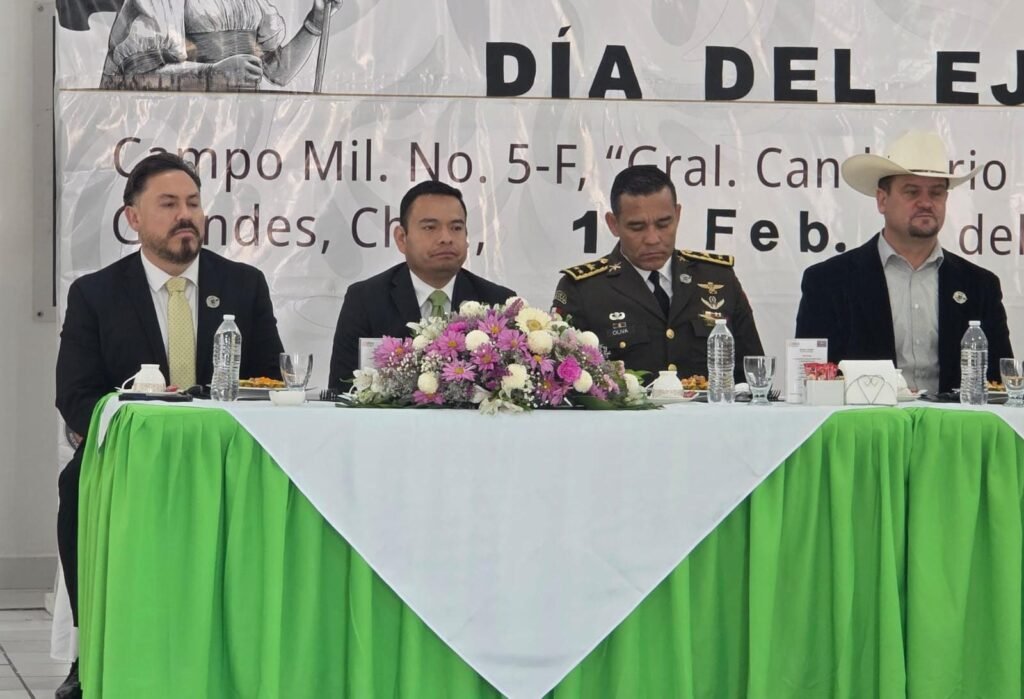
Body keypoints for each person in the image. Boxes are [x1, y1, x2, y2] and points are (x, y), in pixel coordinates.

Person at [54, 152, 284, 698]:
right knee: (75, 485)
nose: (186, 215)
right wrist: (128, 435)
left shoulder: (243, 284)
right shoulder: (95, 293)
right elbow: (76, 394)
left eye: (193, 203)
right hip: (134, 460)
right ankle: (93, 652)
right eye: (169, 204)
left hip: (226, 458)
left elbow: (270, 380)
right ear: (133, 218)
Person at [795, 130, 1012, 394]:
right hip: (866, 420)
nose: (926, 203)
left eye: (936, 193)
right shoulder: (828, 281)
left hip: (955, 421)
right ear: (882, 200)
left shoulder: (980, 285)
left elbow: (1000, 383)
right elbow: (815, 382)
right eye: (912, 192)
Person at [551, 165, 763, 381]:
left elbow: (753, 374)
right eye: (637, 227)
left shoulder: (718, 278)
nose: (652, 239)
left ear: (677, 215)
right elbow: (565, 382)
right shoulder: (583, 290)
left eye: (663, 224)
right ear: (613, 224)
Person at [329, 180, 515, 387]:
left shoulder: (499, 303)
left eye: (456, 227)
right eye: (430, 227)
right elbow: (341, 390)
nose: (446, 238)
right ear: (402, 238)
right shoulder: (365, 300)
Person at [99, 0, 340, 90]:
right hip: (184, 128)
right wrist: (212, 74)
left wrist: (315, 23)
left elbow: (277, 72)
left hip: (238, 128)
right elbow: (136, 79)